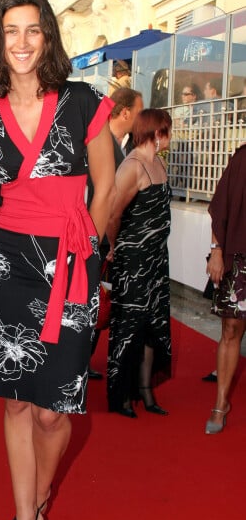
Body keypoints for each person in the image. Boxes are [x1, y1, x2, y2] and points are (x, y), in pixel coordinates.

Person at [0, 0, 114, 520]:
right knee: (17, 403)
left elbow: (104, 187)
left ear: (47, 38)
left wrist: (84, 252)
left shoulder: (81, 102)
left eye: (33, 30)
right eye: (11, 31)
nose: (22, 42)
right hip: (11, 267)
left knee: (56, 411)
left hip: (73, 263)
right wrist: (17, 238)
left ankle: (42, 495)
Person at [106, 108, 173, 418]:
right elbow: (113, 212)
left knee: (153, 326)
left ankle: (145, 391)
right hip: (133, 261)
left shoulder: (158, 163)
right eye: (168, 130)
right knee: (129, 327)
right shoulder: (131, 166)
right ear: (156, 133)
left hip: (158, 260)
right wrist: (115, 246)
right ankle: (120, 396)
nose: (171, 137)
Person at [88, 87, 144, 377]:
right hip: (97, 238)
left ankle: (83, 361)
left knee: (101, 301)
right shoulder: (103, 143)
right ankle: (77, 362)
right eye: (138, 111)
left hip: (108, 240)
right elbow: (102, 195)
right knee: (92, 300)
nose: (140, 117)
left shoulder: (120, 144)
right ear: (125, 112)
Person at [204, 143, 246, 434]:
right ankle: (220, 403)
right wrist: (217, 250)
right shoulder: (242, 157)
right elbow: (221, 205)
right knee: (230, 329)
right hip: (240, 256)